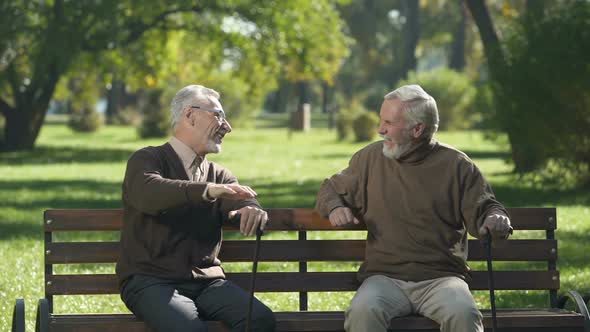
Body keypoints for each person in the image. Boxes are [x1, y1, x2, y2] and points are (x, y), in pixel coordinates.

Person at [315, 85, 512, 332]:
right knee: (362, 312)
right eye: (380, 120)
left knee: (464, 314)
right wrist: (334, 207)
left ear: (417, 129)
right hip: (384, 279)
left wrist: (496, 218)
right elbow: (328, 189)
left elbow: (486, 208)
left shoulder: (457, 165)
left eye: (388, 122)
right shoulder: (369, 159)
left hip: (442, 280)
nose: (380, 129)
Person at [116, 85, 276, 332]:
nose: (227, 126)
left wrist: (250, 207)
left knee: (259, 319)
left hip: (206, 283)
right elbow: (149, 193)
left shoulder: (219, 175)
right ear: (190, 115)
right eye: (218, 115)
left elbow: (238, 197)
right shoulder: (147, 160)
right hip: (150, 281)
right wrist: (206, 190)